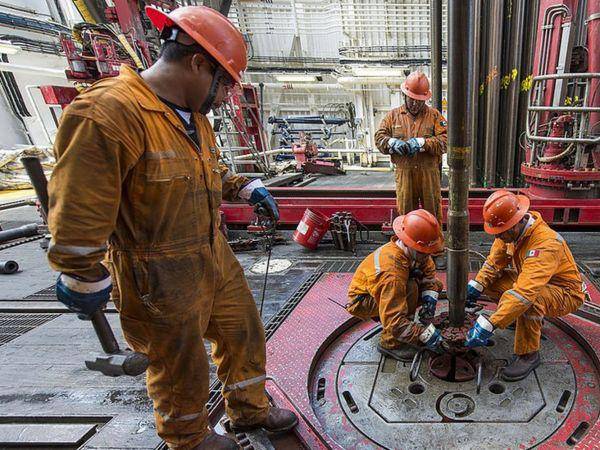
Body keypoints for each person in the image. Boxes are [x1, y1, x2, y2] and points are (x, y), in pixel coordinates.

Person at [47, 6, 297, 449]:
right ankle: (189, 438)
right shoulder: (108, 114)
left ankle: (248, 408)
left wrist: (242, 186)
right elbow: (78, 210)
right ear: (199, 63)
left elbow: (201, 169)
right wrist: (81, 272)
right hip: (156, 272)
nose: (226, 97)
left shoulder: (192, 116)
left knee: (242, 331)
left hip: (211, 253)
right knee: (179, 363)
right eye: (226, 84)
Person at [465, 190, 587, 381]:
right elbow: (494, 263)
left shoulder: (546, 243)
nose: (498, 238)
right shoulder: (508, 232)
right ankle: (519, 320)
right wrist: (477, 285)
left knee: (530, 301)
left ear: (516, 223)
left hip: (565, 294)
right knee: (491, 281)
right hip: (534, 283)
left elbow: (524, 293)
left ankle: (528, 355)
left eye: (501, 233)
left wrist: (491, 323)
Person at [347, 209, 446, 361]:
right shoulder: (391, 273)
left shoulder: (413, 251)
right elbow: (394, 322)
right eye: (425, 252)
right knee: (411, 288)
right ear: (413, 244)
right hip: (362, 301)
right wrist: (425, 335)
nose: (428, 255)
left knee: (436, 284)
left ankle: (405, 327)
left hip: (386, 290)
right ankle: (391, 344)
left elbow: (429, 275)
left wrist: (429, 302)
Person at [374, 70, 448, 270]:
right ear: (404, 95)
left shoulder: (434, 116)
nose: (415, 103)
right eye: (412, 99)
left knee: (432, 212)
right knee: (406, 213)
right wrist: (391, 143)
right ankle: (408, 253)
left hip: (428, 173)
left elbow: (445, 141)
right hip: (404, 173)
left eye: (419, 100)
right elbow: (379, 138)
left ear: (425, 99)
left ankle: (436, 252)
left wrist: (423, 143)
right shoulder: (392, 116)